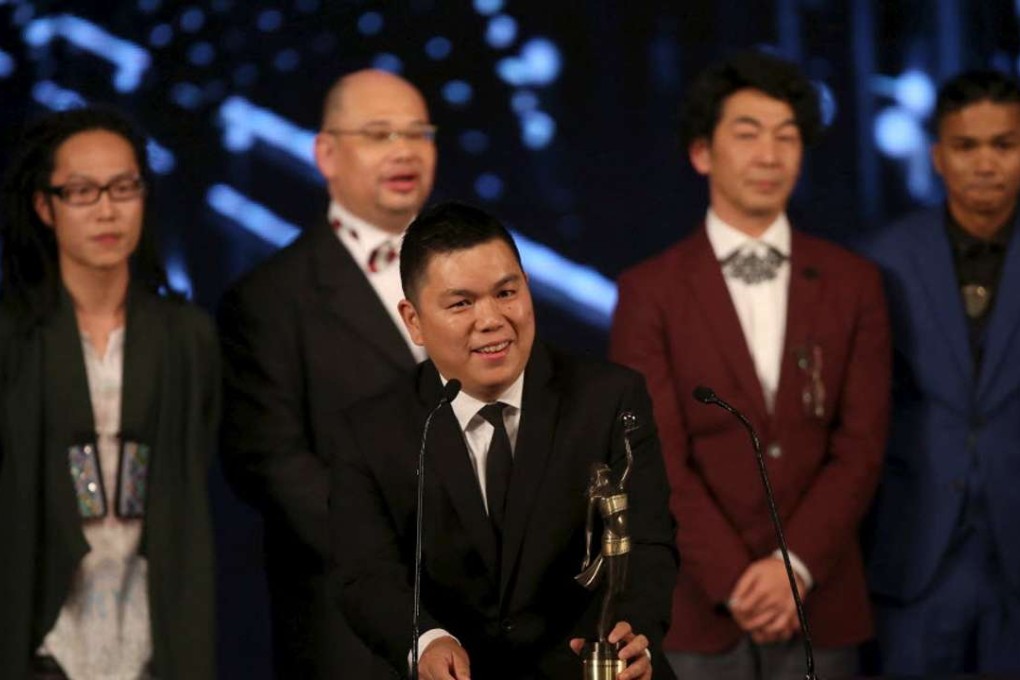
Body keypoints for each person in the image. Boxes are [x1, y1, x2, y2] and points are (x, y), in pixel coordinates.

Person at [609, 50, 891, 679]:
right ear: (701, 152)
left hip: (823, 599)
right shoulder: (647, 291)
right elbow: (651, 457)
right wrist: (738, 581)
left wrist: (795, 566)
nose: (769, 156)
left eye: (787, 137)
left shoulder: (855, 282)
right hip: (698, 608)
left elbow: (862, 444)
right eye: (748, 134)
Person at [331, 201, 678, 679]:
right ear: (413, 320)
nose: (492, 319)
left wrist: (633, 631)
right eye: (461, 303)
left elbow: (648, 543)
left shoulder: (610, 399)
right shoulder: (371, 432)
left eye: (506, 293)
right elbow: (366, 575)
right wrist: (425, 642)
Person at [218, 68, 435, 677]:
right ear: (326, 154)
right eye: (378, 134)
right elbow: (272, 465)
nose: (404, 150)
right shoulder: (270, 298)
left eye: (419, 133)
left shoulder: (479, 270)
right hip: (353, 630)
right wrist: (412, 557)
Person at [0, 107, 219, 679]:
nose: (107, 209)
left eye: (124, 187)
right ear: (45, 206)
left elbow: (197, 465)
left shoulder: (185, 335)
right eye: (82, 191)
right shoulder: (12, 336)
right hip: (40, 620)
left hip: (151, 621)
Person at [863, 69, 1020, 675]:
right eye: (966, 146)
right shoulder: (881, 260)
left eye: (1003, 145)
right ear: (938, 155)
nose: (985, 163)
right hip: (915, 554)